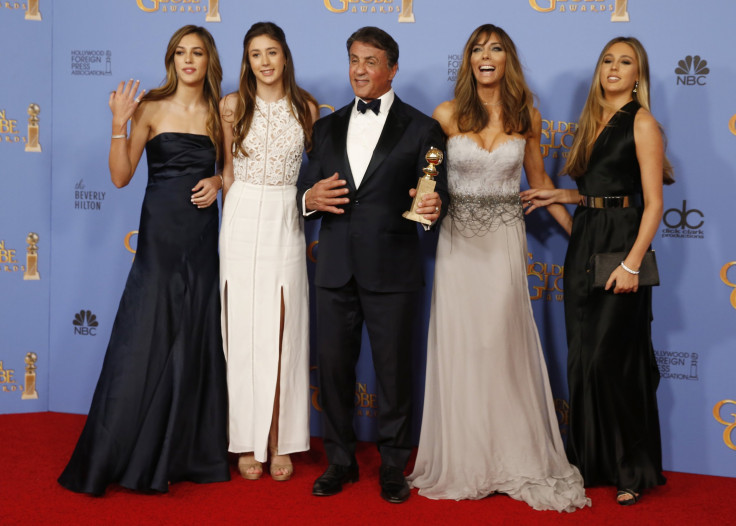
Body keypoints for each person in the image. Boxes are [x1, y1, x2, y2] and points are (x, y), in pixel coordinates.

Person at [407, 24, 590, 512]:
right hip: (458, 244)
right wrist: (421, 199)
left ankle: (510, 454)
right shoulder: (446, 115)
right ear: (468, 61)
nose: (486, 56)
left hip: (506, 243)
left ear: (508, 60)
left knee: (500, 346)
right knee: (464, 346)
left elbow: (540, 182)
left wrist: (582, 238)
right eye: (477, 49)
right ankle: (468, 458)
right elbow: (426, 177)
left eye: (496, 49)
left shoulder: (526, 114)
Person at [58, 25, 229, 495]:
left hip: (201, 237)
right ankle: (122, 448)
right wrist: (118, 123)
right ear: (171, 59)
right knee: (144, 337)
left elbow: (233, 172)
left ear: (208, 59)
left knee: (194, 335)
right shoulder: (150, 107)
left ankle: (182, 453)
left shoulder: (222, 112)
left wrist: (217, 182)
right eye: (180, 53)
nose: (188, 60)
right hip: (159, 237)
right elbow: (119, 176)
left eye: (196, 52)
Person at [296, 26, 447, 504]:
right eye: (354, 60)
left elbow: (434, 194)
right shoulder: (325, 126)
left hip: (394, 268)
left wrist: (431, 209)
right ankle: (339, 461)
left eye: (371, 61)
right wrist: (308, 199)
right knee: (335, 371)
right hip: (335, 267)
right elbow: (307, 190)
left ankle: (393, 466)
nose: (360, 70)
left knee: (395, 373)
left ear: (392, 68)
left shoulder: (423, 127)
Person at [521, 36, 672, 505]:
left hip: (622, 246)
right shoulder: (592, 121)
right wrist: (563, 196)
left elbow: (653, 205)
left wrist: (630, 264)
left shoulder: (642, 122)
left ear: (637, 75)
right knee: (583, 359)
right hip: (586, 244)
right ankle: (589, 462)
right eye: (608, 60)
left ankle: (632, 469)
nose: (614, 68)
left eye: (625, 62)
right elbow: (597, 192)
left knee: (614, 361)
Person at [219, 21, 319, 482]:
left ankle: (280, 439)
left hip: (285, 214)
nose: (264, 61)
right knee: (242, 335)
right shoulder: (231, 106)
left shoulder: (307, 108)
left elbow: (312, 176)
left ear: (285, 56)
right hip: (240, 216)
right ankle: (245, 440)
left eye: (272, 52)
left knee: (283, 331)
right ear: (247, 60)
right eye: (256, 53)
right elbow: (226, 171)